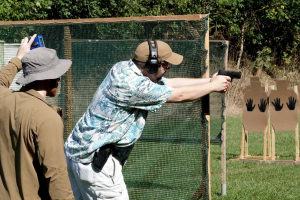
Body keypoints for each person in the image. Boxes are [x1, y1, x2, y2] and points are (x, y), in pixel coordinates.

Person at [64, 39, 231, 200]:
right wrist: (213, 87)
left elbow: (170, 83)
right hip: (95, 164)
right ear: (151, 66)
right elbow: (180, 95)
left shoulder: (123, 68)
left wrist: (210, 80)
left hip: (77, 154)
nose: (168, 69)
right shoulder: (134, 86)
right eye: (165, 65)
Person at [0, 34, 74, 200]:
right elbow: (57, 177)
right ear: (49, 78)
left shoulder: (3, 99)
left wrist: (18, 59)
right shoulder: (47, 117)